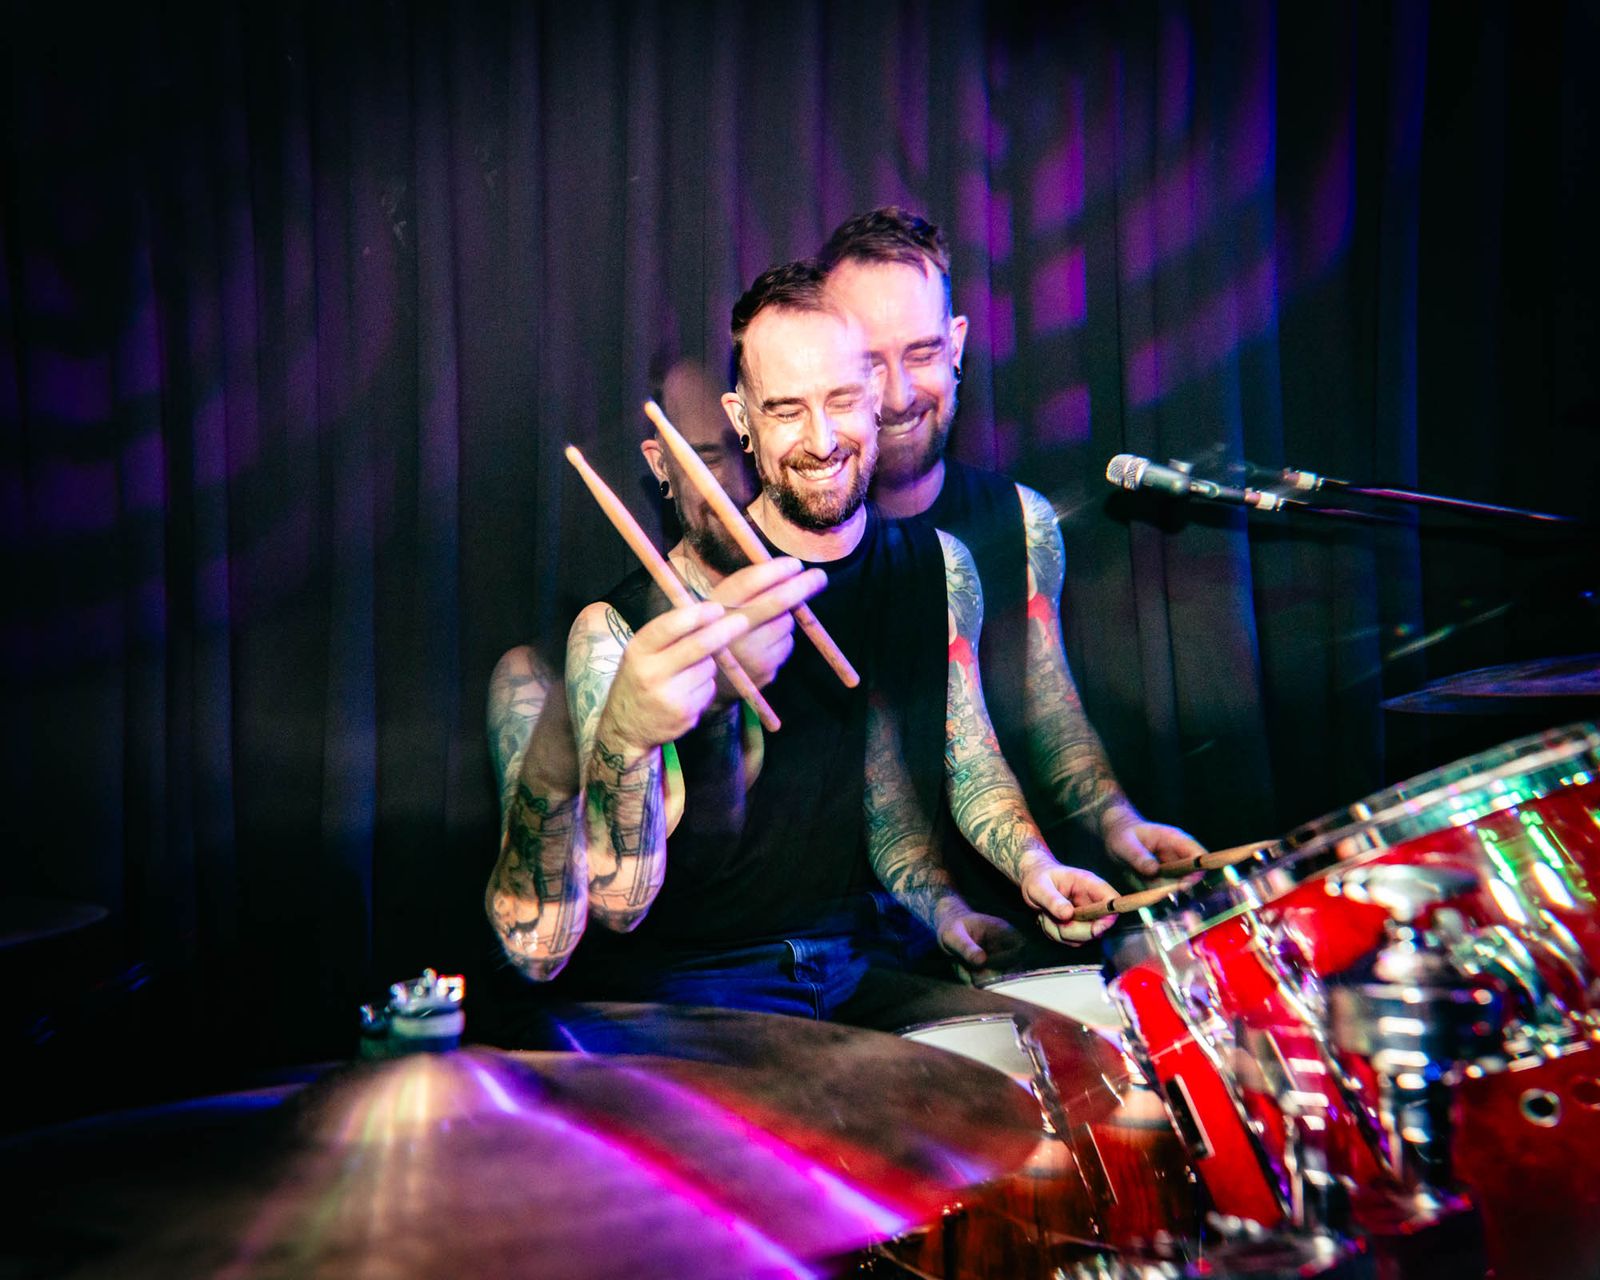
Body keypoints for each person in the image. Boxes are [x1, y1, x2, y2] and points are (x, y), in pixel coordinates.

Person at [555, 259, 1114, 1022]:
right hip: (692, 988)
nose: (821, 441)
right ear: (742, 418)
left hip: (856, 965)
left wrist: (1035, 869)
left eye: (842, 400)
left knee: (1060, 1049)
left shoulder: (939, 568)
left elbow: (970, 757)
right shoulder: (636, 622)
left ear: (876, 394)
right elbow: (615, 898)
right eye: (786, 410)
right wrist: (632, 734)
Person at [820, 207, 1205, 967]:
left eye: (922, 353)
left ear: (957, 345)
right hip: (866, 961)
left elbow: (1050, 712)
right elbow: (874, 782)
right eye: (867, 363)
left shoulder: (1022, 521)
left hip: (1037, 913)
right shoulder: (809, 548)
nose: (897, 395)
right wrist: (942, 910)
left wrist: (1117, 822)